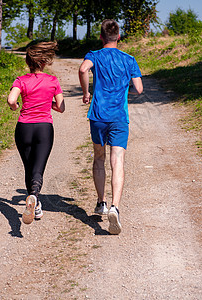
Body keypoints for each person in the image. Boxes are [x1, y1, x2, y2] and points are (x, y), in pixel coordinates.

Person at [78, 19, 143, 235]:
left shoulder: (94, 55)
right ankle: (115, 206)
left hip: (98, 116)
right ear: (119, 37)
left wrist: (86, 92)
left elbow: (82, 69)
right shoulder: (129, 59)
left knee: (99, 158)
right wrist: (126, 90)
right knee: (118, 160)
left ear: (101, 37)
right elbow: (139, 89)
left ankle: (101, 203)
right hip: (119, 118)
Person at [7, 42, 65, 225]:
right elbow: (61, 107)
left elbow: (11, 100)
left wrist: (16, 106)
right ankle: (33, 196)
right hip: (43, 128)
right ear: (44, 62)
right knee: (38, 168)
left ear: (28, 62)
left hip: (23, 128)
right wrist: (50, 105)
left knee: (29, 167)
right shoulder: (52, 81)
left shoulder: (21, 80)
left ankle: (35, 204)